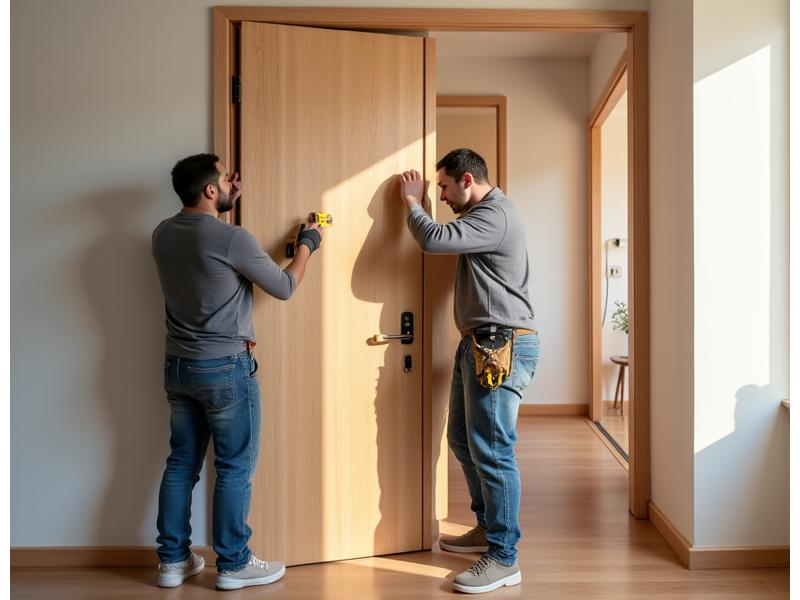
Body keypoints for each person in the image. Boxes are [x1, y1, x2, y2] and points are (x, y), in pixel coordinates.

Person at [152, 153, 324, 590]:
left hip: (178, 366)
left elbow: (210, 261)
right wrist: (308, 242)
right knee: (233, 467)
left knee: (180, 465)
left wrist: (229, 201)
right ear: (210, 190)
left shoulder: (162, 233)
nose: (230, 183)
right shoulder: (233, 238)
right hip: (225, 368)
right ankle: (233, 564)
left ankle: (172, 562)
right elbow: (284, 287)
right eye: (224, 181)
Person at [398, 149, 540, 594]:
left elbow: (434, 239)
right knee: (463, 437)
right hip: (481, 342)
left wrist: (412, 202)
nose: (439, 195)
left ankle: (503, 556)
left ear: (465, 180)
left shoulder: (494, 214)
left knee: (494, 449)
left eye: (442, 187)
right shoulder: (486, 214)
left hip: (501, 343)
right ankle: (486, 528)